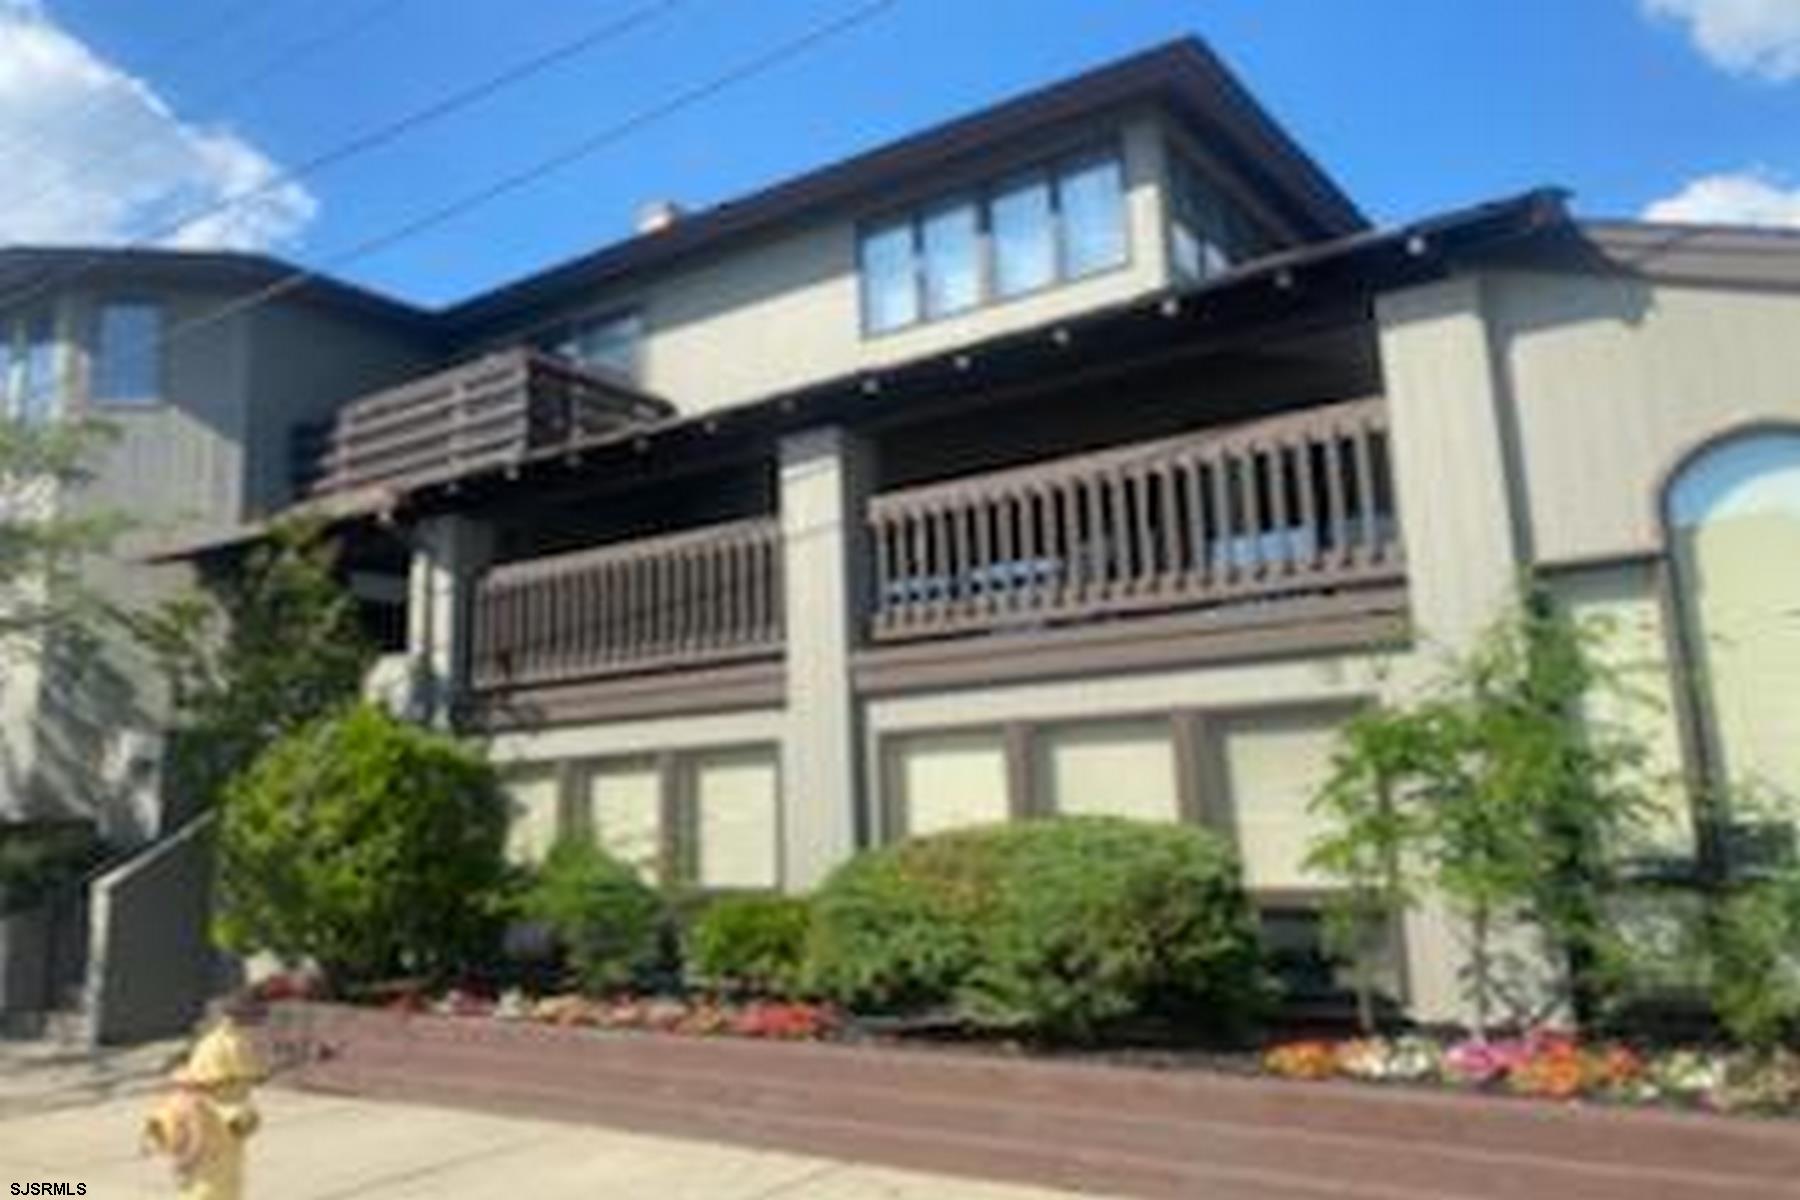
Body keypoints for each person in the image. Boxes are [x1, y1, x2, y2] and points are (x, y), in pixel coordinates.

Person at [142, 1000, 266, 1200]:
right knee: (218, 1183)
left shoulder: (211, 1048)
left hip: (215, 1152)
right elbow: (196, 1137)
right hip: (215, 1161)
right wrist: (186, 1162)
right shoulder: (230, 1045)